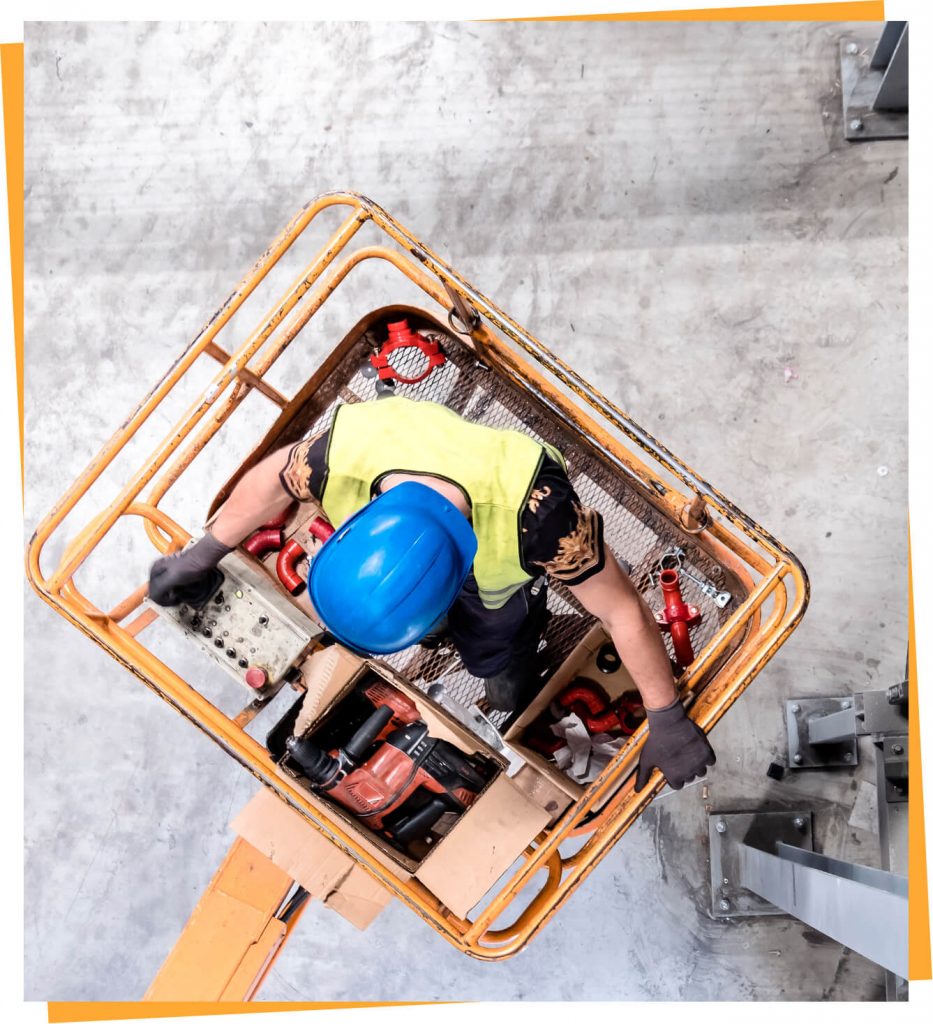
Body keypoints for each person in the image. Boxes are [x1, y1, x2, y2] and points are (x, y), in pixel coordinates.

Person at [148, 396, 715, 791]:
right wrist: (200, 557)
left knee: (494, 651)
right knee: (470, 639)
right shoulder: (348, 450)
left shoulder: (544, 523)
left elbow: (620, 610)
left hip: (503, 563)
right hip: (444, 528)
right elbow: (273, 480)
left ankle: (510, 673)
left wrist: (665, 716)